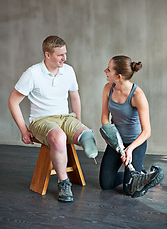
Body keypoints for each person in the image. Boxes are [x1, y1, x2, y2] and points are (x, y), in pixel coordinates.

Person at [8, 35, 98, 203]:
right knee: (59, 137)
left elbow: (75, 97)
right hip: (41, 120)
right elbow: (13, 101)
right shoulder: (32, 73)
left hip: (65, 117)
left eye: (65, 53)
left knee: (84, 132)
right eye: (60, 55)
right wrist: (23, 130)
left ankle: (86, 138)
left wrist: (78, 121)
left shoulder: (68, 70)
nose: (65, 58)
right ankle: (64, 183)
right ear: (47, 54)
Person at [99, 55, 164, 197]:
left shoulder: (137, 95)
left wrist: (130, 149)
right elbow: (105, 117)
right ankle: (138, 175)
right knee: (106, 184)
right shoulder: (108, 88)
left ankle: (145, 176)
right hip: (116, 141)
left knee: (130, 191)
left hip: (136, 142)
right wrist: (111, 136)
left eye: (109, 70)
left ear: (119, 76)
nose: (105, 71)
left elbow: (147, 131)